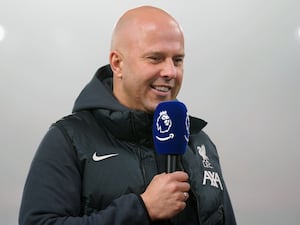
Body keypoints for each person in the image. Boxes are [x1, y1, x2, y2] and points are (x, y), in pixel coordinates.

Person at [19, 5, 236, 225]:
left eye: (177, 60)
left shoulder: (199, 143)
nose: (170, 71)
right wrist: (142, 209)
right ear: (117, 63)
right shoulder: (70, 139)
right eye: (155, 58)